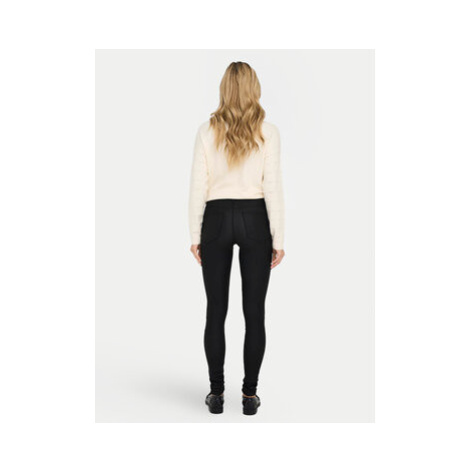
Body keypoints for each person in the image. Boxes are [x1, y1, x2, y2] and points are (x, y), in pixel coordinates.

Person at [188, 61, 285, 416]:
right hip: (255, 218)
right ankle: (249, 396)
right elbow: (272, 186)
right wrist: (278, 238)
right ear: (253, 88)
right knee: (254, 312)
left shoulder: (206, 131)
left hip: (215, 218)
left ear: (224, 89)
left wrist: (195, 234)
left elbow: (198, 185)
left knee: (215, 310)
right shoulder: (268, 132)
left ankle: (216, 394)